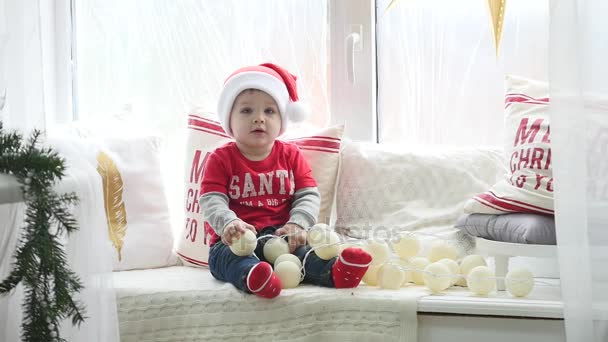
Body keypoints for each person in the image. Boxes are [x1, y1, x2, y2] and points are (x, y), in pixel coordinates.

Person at [200, 63, 372, 299]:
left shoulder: (291, 155)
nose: (259, 119)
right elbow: (211, 200)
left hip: (283, 238)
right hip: (235, 240)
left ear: (283, 120)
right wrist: (229, 224)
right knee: (227, 259)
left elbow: (308, 194)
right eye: (246, 111)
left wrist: (298, 224)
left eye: (269, 111)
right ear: (228, 119)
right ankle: (253, 277)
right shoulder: (220, 158)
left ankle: (335, 272)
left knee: (306, 255)